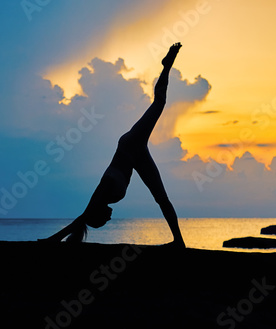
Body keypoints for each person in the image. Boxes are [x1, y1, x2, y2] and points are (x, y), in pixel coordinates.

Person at [42, 43, 186, 248]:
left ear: (98, 214)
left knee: (159, 103)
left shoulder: (103, 191)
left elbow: (82, 218)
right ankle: (179, 242)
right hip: (138, 156)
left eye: (104, 220)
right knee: (162, 198)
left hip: (130, 144)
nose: (110, 218)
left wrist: (54, 239)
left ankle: (166, 65)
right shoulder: (108, 199)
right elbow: (85, 219)